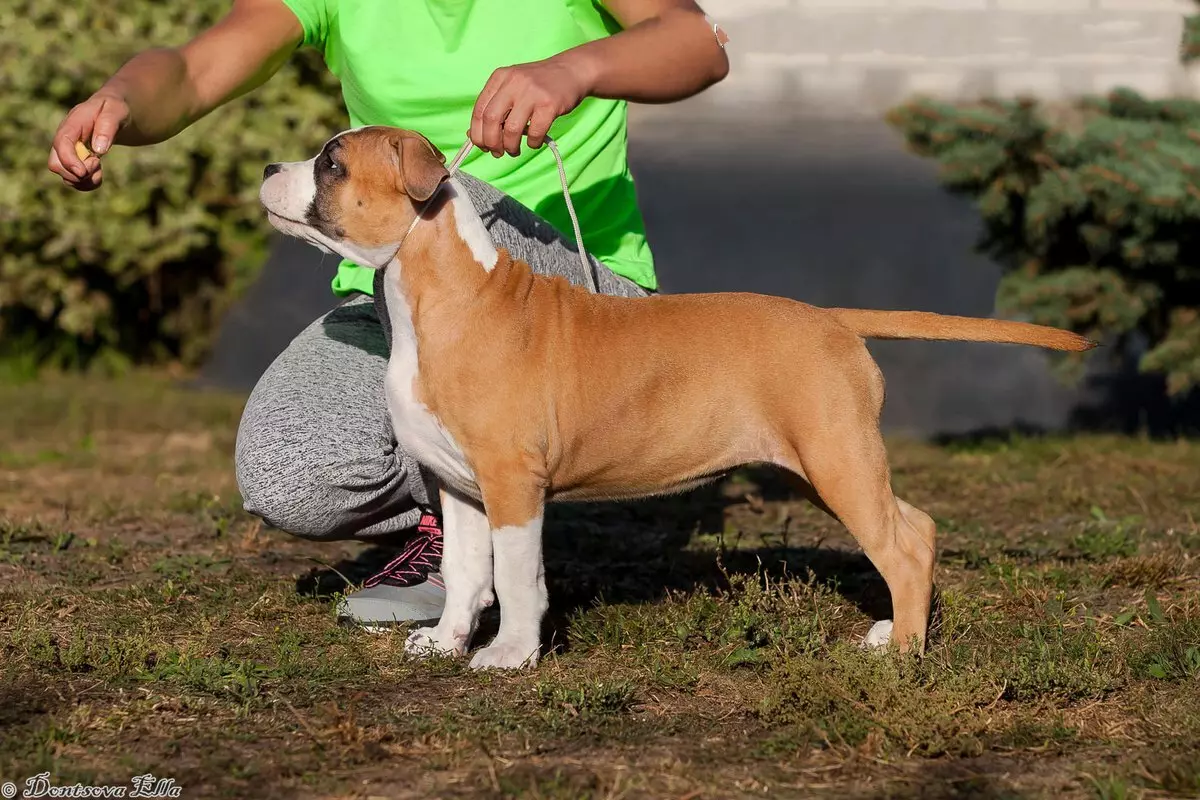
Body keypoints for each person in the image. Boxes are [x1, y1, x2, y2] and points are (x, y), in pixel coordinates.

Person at [48, 0, 730, 629]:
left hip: (577, 298)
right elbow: (195, 71)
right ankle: (456, 526)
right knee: (288, 472)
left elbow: (699, 43)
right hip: (401, 301)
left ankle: (514, 479)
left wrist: (575, 69)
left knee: (451, 198)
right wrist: (119, 99)